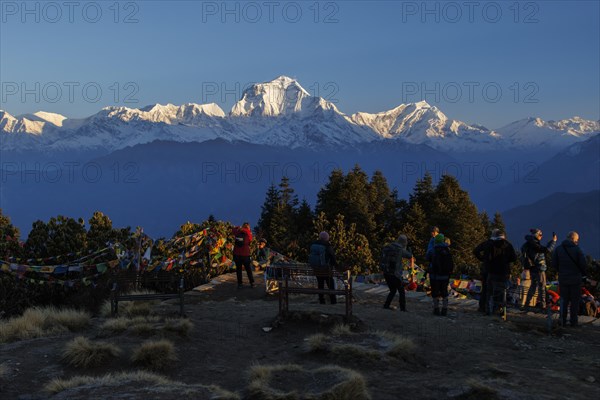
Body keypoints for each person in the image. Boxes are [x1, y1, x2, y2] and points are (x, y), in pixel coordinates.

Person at [473, 229, 517, 315]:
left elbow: (476, 251)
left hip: (490, 271)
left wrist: (483, 259)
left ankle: (485, 308)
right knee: (501, 291)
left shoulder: (489, 244)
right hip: (504, 272)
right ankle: (498, 309)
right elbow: (514, 258)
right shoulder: (508, 245)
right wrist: (506, 261)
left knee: (488, 291)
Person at [552, 231, 587, 327]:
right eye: (577, 240)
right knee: (574, 301)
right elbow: (583, 265)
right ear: (574, 239)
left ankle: (562, 320)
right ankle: (573, 322)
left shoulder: (558, 249)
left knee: (563, 300)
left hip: (563, 278)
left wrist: (561, 271)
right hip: (575, 279)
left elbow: (554, 264)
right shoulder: (578, 250)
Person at [522, 228, 557, 310]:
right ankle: (543, 305)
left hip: (532, 268)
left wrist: (550, 242)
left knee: (533, 286)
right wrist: (553, 241)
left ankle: (527, 304)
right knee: (542, 287)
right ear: (536, 235)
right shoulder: (534, 244)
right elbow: (546, 250)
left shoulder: (529, 243)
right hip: (539, 268)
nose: (541, 236)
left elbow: (542, 249)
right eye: (540, 235)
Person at [380, 234, 413, 311]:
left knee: (393, 290)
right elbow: (409, 256)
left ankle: (386, 305)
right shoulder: (400, 249)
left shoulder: (388, 247)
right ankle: (403, 308)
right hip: (395, 273)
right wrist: (409, 249)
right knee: (401, 291)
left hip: (386, 272)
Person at [426, 233, 454, 316]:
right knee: (444, 292)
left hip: (434, 275)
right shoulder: (447, 250)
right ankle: (444, 309)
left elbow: (427, 258)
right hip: (445, 276)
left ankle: (436, 309)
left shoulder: (432, 250)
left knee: (435, 292)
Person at [308, 231, 338, 304]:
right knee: (331, 285)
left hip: (316, 269)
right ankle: (333, 301)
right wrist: (334, 265)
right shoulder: (327, 245)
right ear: (327, 238)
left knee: (320, 284)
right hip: (326, 269)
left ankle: (322, 300)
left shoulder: (313, 244)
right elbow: (333, 257)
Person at [232, 222, 255, 289]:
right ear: (248, 227)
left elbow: (233, 230)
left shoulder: (237, 232)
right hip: (245, 254)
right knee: (248, 269)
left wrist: (238, 227)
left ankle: (240, 284)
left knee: (238, 269)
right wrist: (246, 230)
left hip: (236, 254)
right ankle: (252, 282)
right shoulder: (248, 233)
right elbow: (251, 240)